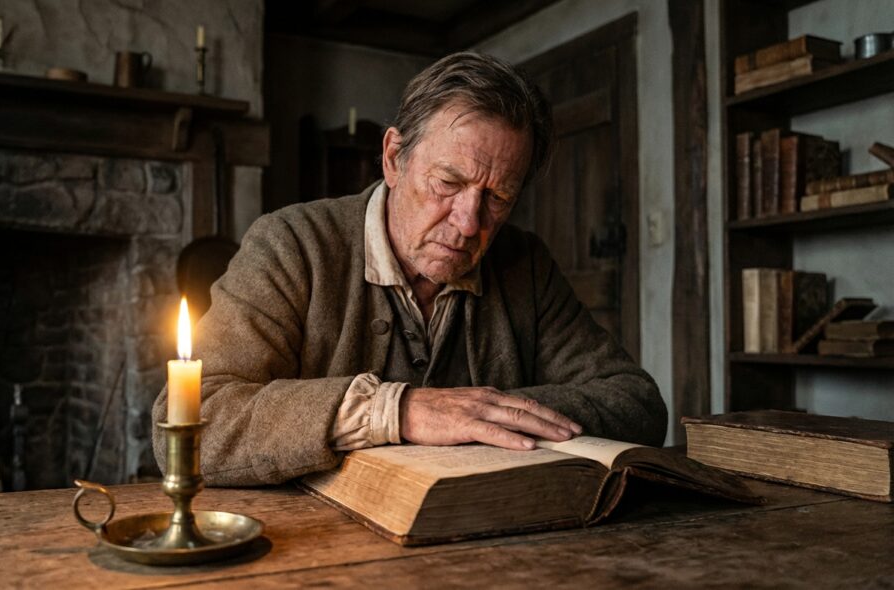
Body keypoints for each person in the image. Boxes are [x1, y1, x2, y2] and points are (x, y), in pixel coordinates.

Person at [152, 52, 666, 486]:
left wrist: (477, 413)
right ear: (394, 157)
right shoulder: (291, 244)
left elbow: (635, 402)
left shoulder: (525, 263)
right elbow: (196, 420)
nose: (469, 223)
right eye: (448, 182)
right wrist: (400, 411)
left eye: (499, 197)